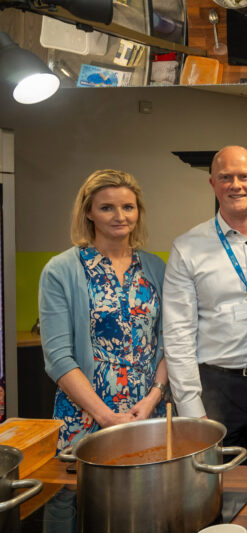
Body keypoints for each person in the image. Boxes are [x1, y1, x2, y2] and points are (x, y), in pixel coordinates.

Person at [163, 146, 247, 466]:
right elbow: (178, 333)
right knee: (213, 483)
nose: (236, 185)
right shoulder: (187, 247)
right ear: (212, 184)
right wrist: (192, 409)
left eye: (244, 176)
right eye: (226, 177)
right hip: (215, 389)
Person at [39, 169, 167, 452]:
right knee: (81, 496)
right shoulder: (61, 271)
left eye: (128, 207)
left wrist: (153, 398)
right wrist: (105, 415)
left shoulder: (155, 268)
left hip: (146, 416)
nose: (119, 216)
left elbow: (167, 343)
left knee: (150, 494)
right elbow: (58, 358)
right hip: (86, 419)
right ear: (89, 213)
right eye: (107, 207)